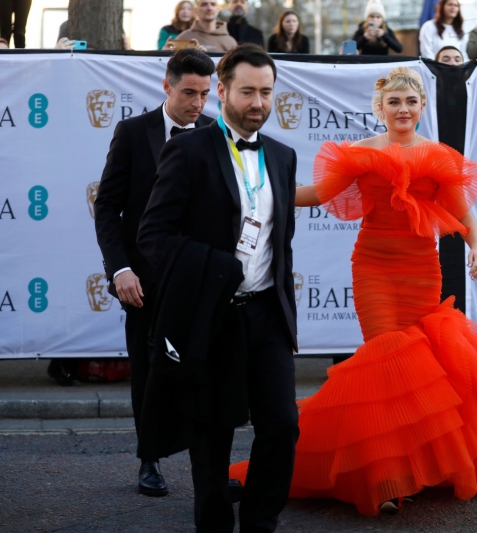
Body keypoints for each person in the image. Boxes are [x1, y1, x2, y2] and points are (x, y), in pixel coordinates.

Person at [229, 66, 477, 516]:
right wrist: (257, 189)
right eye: (394, 102)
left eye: (411, 102)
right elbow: (318, 194)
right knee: (386, 364)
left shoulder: (440, 156)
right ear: (380, 108)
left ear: (422, 107)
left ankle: (417, 467)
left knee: (418, 373)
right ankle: (386, 480)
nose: (403, 109)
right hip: (374, 270)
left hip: (422, 271)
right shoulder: (360, 153)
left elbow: (463, 213)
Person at [138, 43, 299, 533]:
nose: (258, 103)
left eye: (266, 92)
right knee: (212, 438)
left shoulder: (284, 157)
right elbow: (153, 235)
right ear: (222, 92)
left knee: (282, 427)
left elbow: (280, 243)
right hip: (212, 316)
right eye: (247, 92)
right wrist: (215, 270)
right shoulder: (188, 150)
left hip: (267, 315)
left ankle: (260, 523)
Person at [93, 48, 215, 498]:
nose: (197, 103)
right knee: (147, 371)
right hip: (142, 280)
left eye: (205, 94)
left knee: (205, 371)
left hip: (199, 276)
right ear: (167, 86)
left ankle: (208, 467)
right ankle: (150, 459)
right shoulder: (132, 132)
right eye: (189, 93)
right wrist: (120, 269)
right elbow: (107, 207)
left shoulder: (214, 132)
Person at [168, 0, 237, 52]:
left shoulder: (230, 42)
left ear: (218, 10)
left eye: (213, 4)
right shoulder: (183, 38)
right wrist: (165, 52)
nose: (209, 8)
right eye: (204, 4)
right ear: (196, 10)